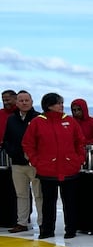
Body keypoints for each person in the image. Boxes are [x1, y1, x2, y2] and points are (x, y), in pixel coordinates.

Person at [21, 93, 85, 240]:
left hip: (69, 168)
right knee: (48, 203)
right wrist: (36, 161)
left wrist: (78, 159)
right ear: (49, 105)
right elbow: (28, 144)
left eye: (62, 103)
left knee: (70, 202)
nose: (62, 106)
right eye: (58, 103)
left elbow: (80, 142)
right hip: (47, 170)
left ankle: (71, 229)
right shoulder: (37, 122)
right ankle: (47, 230)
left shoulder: (70, 121)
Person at [2, 90, 44, 233]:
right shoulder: (12, 119)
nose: (24, 103)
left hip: (35, 164)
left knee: (39, 194)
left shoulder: (39, 118)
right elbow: (6, 139)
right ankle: (22, 222)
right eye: (21, 100)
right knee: (21, 194)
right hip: (17, 164)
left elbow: (44, 141)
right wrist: (12, 152)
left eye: (27, 100)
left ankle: (42, 222)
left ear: (32, 102)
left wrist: (35, 157)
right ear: (17, 102)